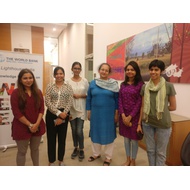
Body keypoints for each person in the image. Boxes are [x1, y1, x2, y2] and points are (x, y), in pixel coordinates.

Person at [140, 59, 176, 166]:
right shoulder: (144, 87)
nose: (153, 72)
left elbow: (173, 107)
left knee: (160, 153)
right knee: (150, 150)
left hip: (163, 124)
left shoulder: (169, 86)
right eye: (151, 69)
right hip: (147, 122)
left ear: (162, 71)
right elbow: (143, 105)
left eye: (156, 69)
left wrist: (160, 109)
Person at [10, 69, 46, 166]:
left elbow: (41, 109)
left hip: (37, 126)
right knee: (22, 152)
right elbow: (16, 113)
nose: (28, 80)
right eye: (25, 78)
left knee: (35, 150)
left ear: (33, 79)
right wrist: (30, 125)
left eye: (30, 78)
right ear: (20, 80)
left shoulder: (38, 92)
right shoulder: (15, 93)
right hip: (21, 127)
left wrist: (37, 124)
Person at [86, 63, 119, 166]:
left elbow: (117, 100)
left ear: (109, 72)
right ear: (99, 70)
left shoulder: (113, 84)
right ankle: (96, 153)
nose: (104, 72)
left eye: (106, 70)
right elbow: (89, 98)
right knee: (95, 133)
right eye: (102, 69)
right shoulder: (93, 83)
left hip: (109, 114)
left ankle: (108, 157)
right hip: (96, 114)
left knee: (109, 134)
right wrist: (88, 111)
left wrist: (116, 113)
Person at [45, 66, 73, 166]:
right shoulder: (49, 86)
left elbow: (70, 101)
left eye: (61, 73)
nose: (59, 75)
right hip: (51, 114)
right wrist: (58, 113)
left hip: (64, 114)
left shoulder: (68, 86)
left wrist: (63, 114)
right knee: (51, 139)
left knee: (62, 138)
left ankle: (61, 160)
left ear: (64, 75)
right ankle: (51, 161)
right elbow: (47, 101)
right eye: (57, 74)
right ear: (54, 75)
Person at [118, 61, 144, 166]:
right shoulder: (123, 85)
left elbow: (139, 103)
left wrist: (130, 116)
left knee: (134, 140)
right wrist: (123, 115)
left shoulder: (140, 85)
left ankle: (133, 160)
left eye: (132, 70)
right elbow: (120, 99)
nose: (129, 72)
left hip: (135, 116)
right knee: (126, 140)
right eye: (128, 70)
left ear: (136, 71)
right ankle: (127, 159)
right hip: (123, 116)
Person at [67, 62, 89, 161]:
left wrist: (79, 96)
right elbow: (66, 95)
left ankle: (81, 149)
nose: (77, 70)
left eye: (78, 68)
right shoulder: (67, 82)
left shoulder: (84, 81)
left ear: (81, 70)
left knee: (79, 130)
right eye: (75, 68)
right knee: (73, 129)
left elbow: (89, 94)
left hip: (81, 108)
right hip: (71, 109)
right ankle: (75, 147)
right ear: (72, 69)